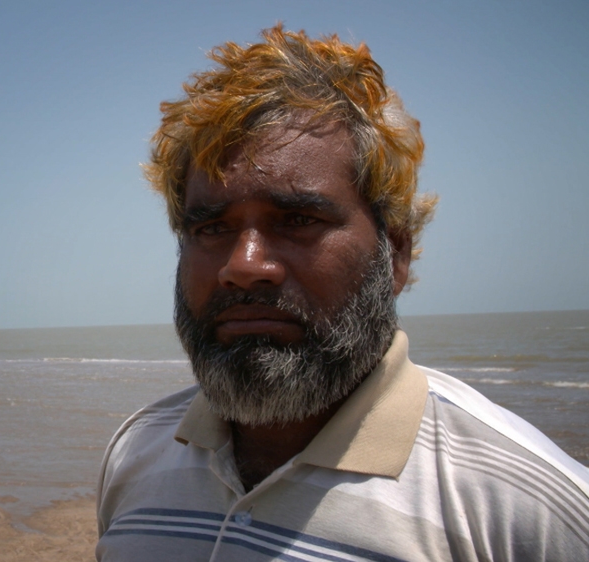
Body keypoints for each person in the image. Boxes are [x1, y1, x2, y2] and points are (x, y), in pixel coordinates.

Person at [96, 25, 589, 561]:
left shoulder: (521, 507)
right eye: (211, 229)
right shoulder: (136, 452)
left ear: (394, 254)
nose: (244, 266)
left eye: (298, 219)